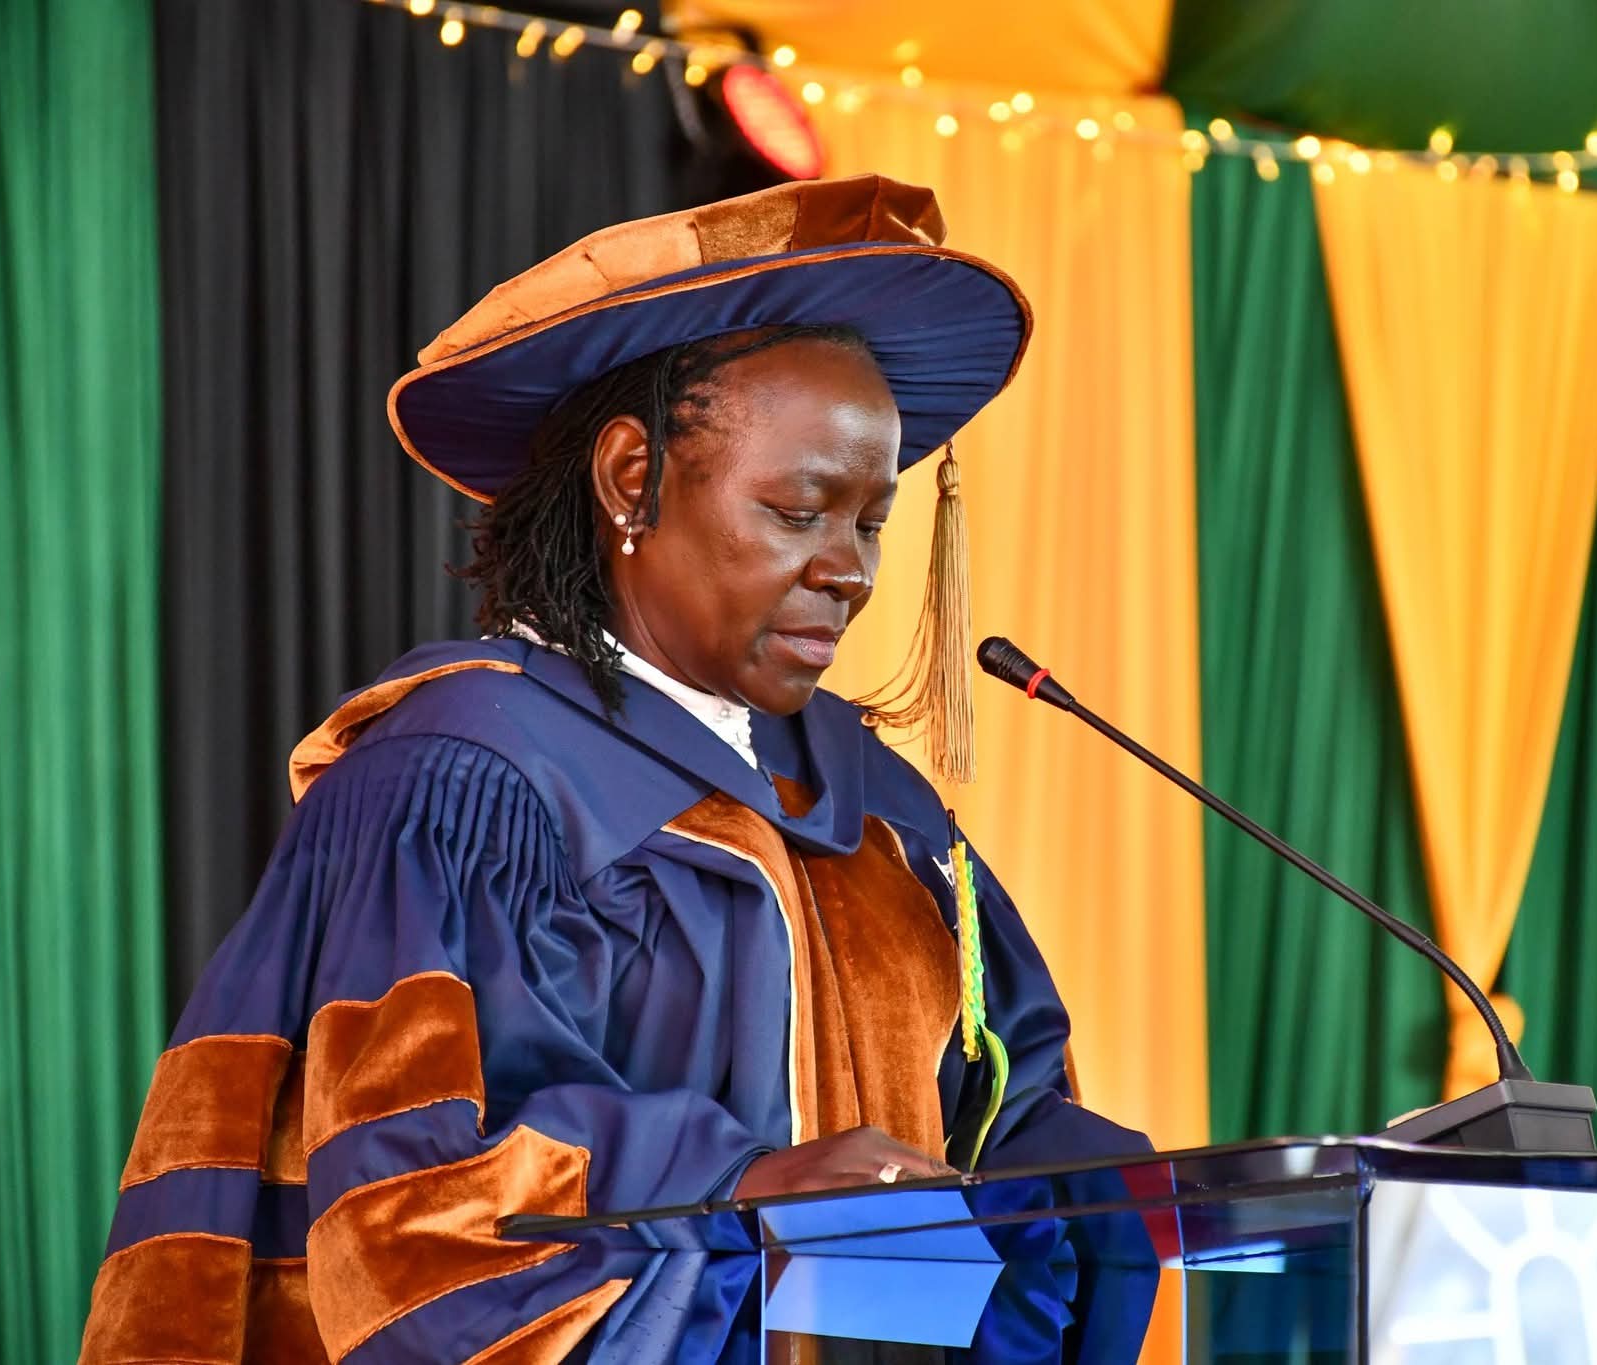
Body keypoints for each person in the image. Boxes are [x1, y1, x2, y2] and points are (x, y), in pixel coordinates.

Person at [81, 174, 1149, 1363]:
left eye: (870, 521)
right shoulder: (463, 776)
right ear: (632, 478)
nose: (849, 568)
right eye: (801, 511)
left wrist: (1114, 1193)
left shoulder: (886, 810)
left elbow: (1000, 1109)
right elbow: (411, 1209)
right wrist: (753, 1188)